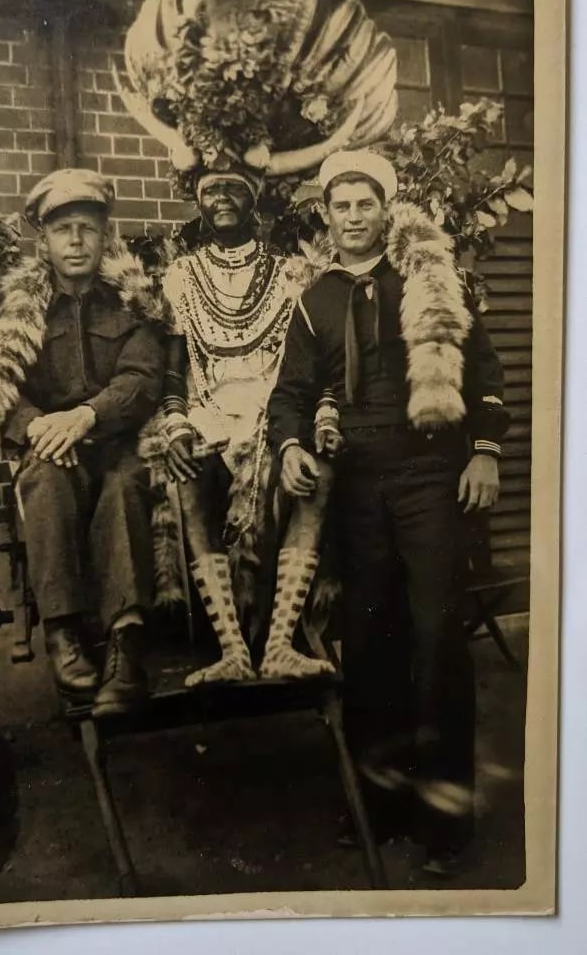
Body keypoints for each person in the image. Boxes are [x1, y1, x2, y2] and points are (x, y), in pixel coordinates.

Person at [267, 149, 510, 875]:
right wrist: (287, 446)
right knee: (369, 645)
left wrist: (485, 451)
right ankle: (380, 807)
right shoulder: (315, 300)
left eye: (363, 204)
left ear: (385, 209)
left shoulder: (430, 279)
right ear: (326, 216)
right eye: (339, 207)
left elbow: (487, 373)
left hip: (429, 470)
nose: (352, 218)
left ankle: (444, 824)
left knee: (436, 640)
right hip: (356, 483)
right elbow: (290, 393)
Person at [0, 168, 165, 718]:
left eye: (86, 228)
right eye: (62, 230)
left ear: (106, 236)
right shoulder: (16, 310)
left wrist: (86, 415)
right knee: (44, 479)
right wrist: (34, 426)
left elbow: (144, 378)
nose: (75, 241)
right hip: (52, 447)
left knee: (127, 485)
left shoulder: (132, 301)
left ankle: (127, 642)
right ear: (44, 239)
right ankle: (63, 633)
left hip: (117, 438)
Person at [157, 165, 337, 687]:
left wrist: (315, 416)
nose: (222, 198)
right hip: (208, 413)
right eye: (211, 189)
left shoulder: (291, 274)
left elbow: (318, 362)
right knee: (186, 477)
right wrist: (174, 423)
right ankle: (232, 649)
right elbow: (174, 365)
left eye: (234, 187)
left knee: (316, 477)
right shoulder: (180, 276)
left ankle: (280, 643)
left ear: (254, 198)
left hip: (277, 414)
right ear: (198, 201)